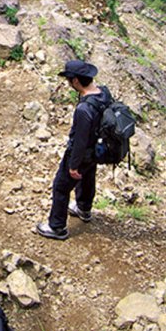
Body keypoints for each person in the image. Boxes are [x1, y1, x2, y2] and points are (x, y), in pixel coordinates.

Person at [35, 59, 112, 241]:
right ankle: (84, 208)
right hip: (97, 150)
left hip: (83, 153)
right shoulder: (104, 94)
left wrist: (73, 165)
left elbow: (80, 141)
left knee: (61, 186)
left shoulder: (84, 109)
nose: (69, 84)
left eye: (69, 80)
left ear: (76, 81)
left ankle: (57, 227)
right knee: (88, 176)